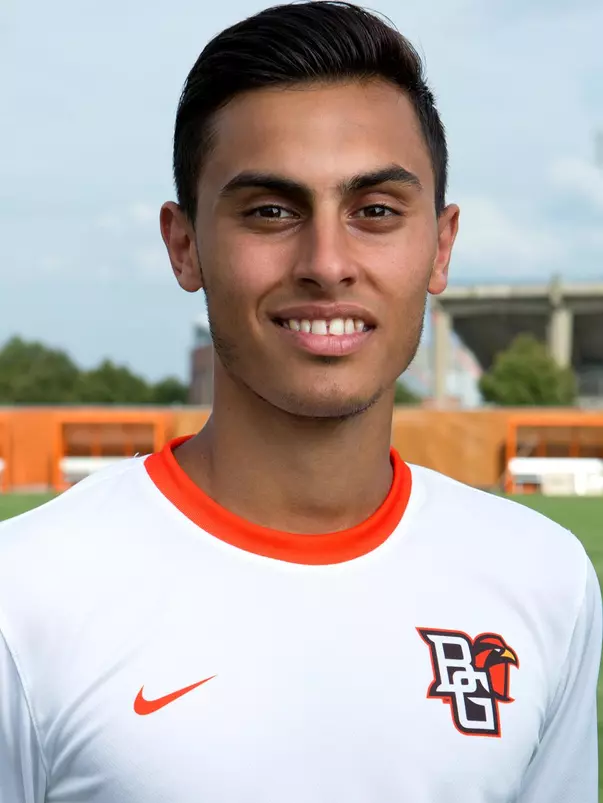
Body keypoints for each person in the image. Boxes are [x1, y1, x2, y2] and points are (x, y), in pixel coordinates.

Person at [0, 2, 600, 801]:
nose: (326, 261)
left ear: (440, 245)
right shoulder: (25, 595)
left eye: (375, 211)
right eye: (270, 211)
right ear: (184, 245)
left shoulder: (543, 579)